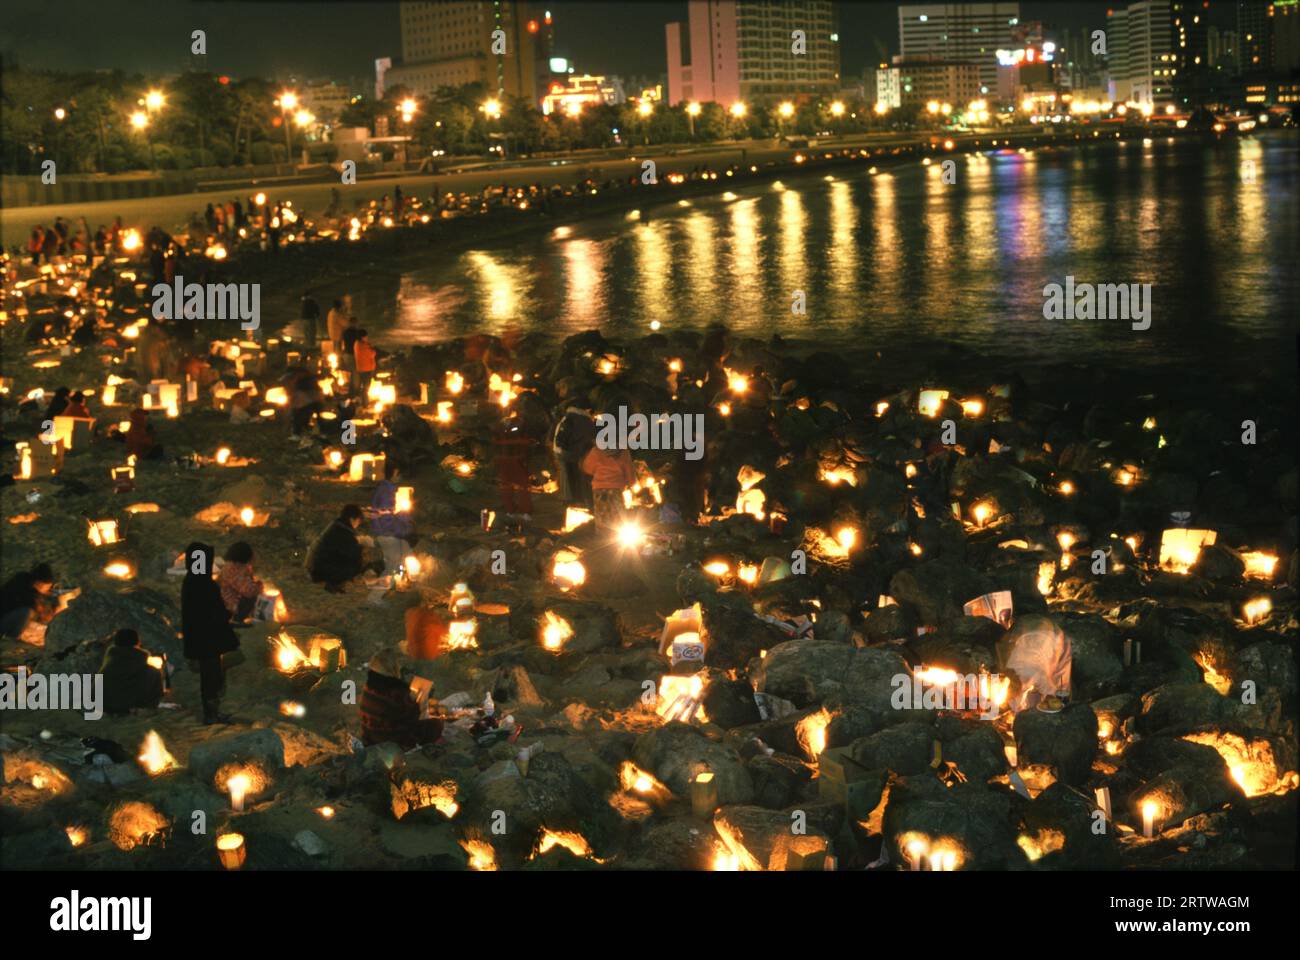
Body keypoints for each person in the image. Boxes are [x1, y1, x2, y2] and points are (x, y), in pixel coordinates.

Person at [181, 542, 240, 725]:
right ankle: (211, 714)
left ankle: (213, 712)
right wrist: (227, 614)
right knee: (211, 677)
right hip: (209, 640)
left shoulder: (191, 581)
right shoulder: (204, 584)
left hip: (200, 638)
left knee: (210, 676)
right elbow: (212, 612)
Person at [359, 648, 443, 749]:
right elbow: (414, 717)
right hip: (391, 740)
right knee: (436, 724)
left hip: (370, 737)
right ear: (393, 667)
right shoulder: (397, 691)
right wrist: (415, 701)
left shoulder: (369, 686)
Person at [99, 629, 165, 716]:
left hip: (106, 703)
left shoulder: (109, 662)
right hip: (129, 703)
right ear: (136, 641)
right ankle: (148, 706)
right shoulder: (141, 660)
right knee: (154, 672)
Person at [305, 504, 367, 592]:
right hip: (319, 571)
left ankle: (335, 581)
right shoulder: (343, 532)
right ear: (352, 519)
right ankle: (334, 583)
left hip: (313, 568)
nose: (357, 525)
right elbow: (353, 556)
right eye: (358, 521)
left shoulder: (336, 526)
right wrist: (362, 546)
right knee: (353, 565)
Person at [371, 462, 414, 573]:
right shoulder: (387, 492)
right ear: (395, 473)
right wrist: (404, 526)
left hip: (386, 532)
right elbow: (386, 519)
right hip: (388, 533)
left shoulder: (386, 489)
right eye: (400, 475)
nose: (401, 478)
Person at [581, 440, 636, 529]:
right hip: (616, 488)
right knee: (617, 514)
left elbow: (587, 468)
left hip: (599, 488)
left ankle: (602, 534)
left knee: (601, 513)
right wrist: (630, 482)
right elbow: (629, 471)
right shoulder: (623, 452)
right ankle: (616, 534)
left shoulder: (597, 451)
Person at [552, 404, 596, 507]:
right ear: (588, 409)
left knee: (567, 475)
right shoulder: (585, 420)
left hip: (563, 451)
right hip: (574, 452)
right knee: (579, 476)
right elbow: (587, 438)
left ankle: (570, 499)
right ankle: (578, 500)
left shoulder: (569, 417)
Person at [0, 563, 57, 639]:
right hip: (3, 621)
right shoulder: (22, 584)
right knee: (27, 613)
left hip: (10, 618)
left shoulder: (31, 587)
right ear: (38, 583)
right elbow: (39, 610)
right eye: (46, 587)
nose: (47, 589)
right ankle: (11, 639)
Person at [218, 542, 263, 620]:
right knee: (251, 598)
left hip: (232, 596)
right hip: (230, 603)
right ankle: (238, 619)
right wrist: (260, 586)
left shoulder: (239, 565)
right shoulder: (233, 570)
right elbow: (249, 591)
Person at [353, 328, 377, 396]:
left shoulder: (357, 343)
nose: (367, 338)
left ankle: (360, 399)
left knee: (362, 385)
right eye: (366, 336)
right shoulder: (363, 345)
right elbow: (372, 354)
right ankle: (365, 403)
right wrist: (373, 349)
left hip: (361, 367)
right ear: (362, 337)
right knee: (366, 387)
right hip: (366, 368)